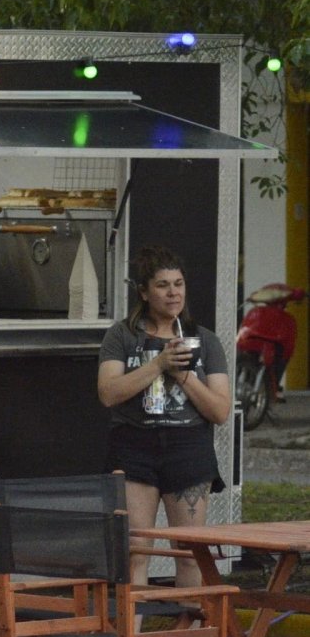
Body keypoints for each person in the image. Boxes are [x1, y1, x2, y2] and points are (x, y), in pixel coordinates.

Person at [97, 245, 231, 592]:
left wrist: (184, 375)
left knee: (188, 552)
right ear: (144, 292)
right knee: (135, 551)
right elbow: (108, 393)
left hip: (188, 447)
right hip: (135, 445)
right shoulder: (122, 335)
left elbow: (220, 411)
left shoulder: (204, 339)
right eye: (162, 285)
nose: (173, 293)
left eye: (179, 283)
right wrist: (158, 364)